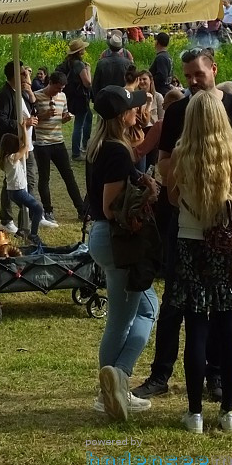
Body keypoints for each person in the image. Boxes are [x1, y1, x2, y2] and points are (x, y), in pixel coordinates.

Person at [132, 48, 232, 402]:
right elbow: (165, 161)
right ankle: (160, 373)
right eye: (187, 76)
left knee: (218, 311)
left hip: (222, 227)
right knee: (174, 305)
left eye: (198, 75)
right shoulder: (178, 111)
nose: (192, 82)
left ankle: (215, 376)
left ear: (213, 69)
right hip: (183, 224)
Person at [167, 90, 232, 434]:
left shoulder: (180, 154)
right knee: (229, 327)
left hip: (191, 245)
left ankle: (195, 413)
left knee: (195, 328)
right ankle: (228, 412)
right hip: (227, 247)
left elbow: (173, 198)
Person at [87, 85, 159, 421]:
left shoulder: (101, 146)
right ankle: (118, 379)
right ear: (121, 116)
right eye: (131, 107)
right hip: (116, 238)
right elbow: (110, 206)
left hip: (105, 238)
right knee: (141, 311)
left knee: (123, 316)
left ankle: (112, 387)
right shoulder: (116, 151)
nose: (136, 110)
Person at [0, 61, 38, 237]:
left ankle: (25, 216)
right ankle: (12, 220)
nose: (27, 75)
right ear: (15, 75)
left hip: (27, 145)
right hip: (13, 145)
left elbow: (33, 107)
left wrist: (30, 87)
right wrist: (23, 124)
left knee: (24, 180)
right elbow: (0, 122)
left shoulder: (21, 93)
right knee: (17, 181)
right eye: (23, 73)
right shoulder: (4, 96)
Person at [32, 71, 82, 227]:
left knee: (69, 176)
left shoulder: (63, 97)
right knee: (44, 178)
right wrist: (44, 115)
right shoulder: (36, 96)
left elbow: (62, 116)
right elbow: (31, 120)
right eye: (57, 88)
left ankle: (81, 209)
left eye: (62, 88)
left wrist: (66, 118)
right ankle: (48, 211)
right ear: (50, 83)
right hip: (42, 143)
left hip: (58, 141)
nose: (59, 91)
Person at [0, 120, 45, 246]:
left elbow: (23, 149)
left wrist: (23, 132)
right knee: (37, 209)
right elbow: (25, 146)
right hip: (18, 191)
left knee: (24, 208)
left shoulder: (7, 158)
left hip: (12, 191)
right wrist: (24, 127)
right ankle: (33, 235)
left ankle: (20, 230)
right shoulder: (12, 158)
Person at [56, 39, 93, 161]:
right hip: (80, 98)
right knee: (79, 124)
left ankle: (84, 145)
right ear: (80, 51)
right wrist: (88, 70)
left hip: (71, 97)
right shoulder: (79, 64)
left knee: (88, 117)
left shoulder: (67, 62)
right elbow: (87, 83)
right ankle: (77, 152)